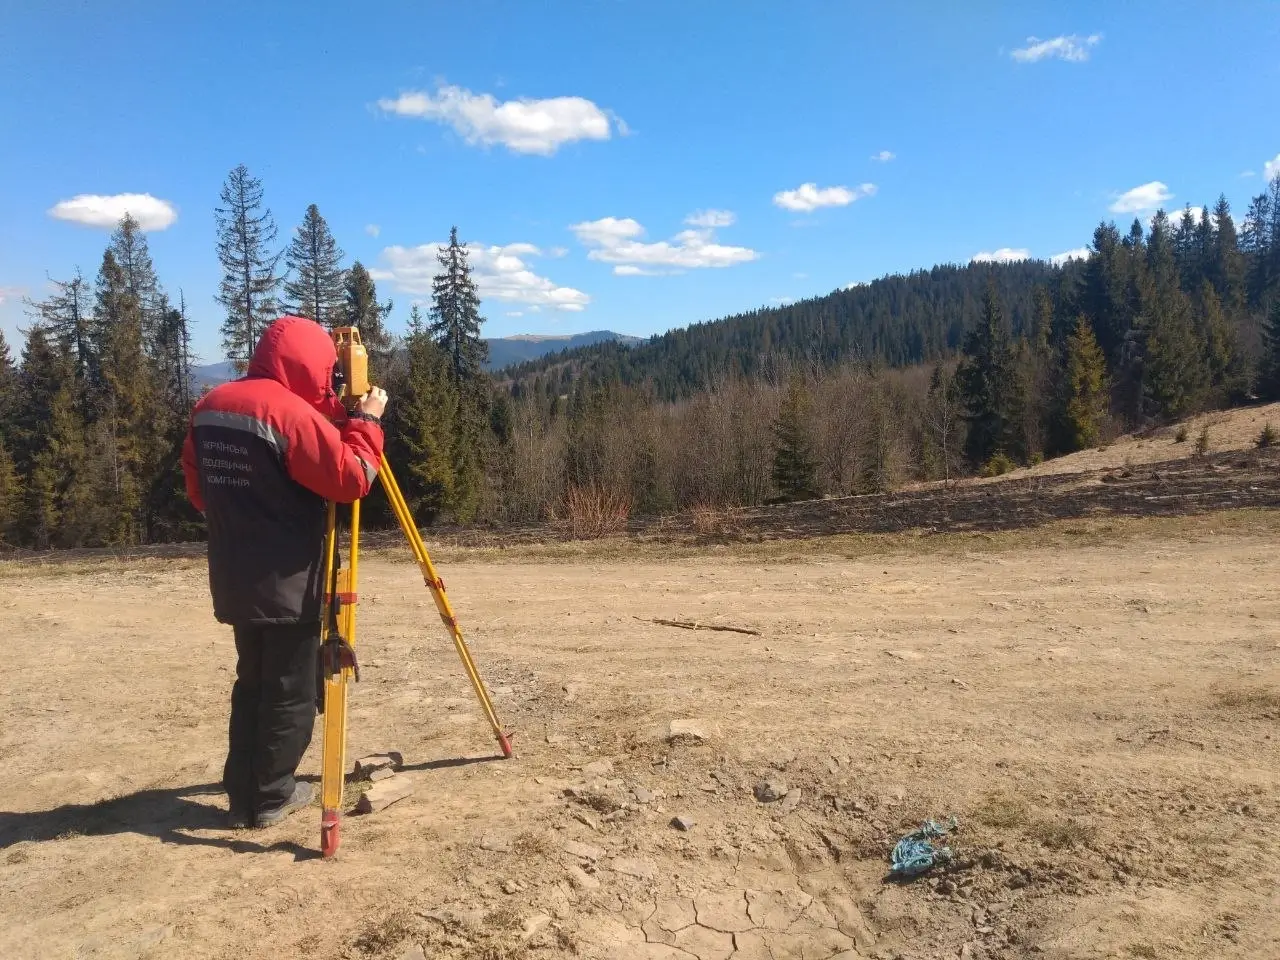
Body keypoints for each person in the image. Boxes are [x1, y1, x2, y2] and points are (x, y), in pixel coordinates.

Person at [181, 315, 388, 829]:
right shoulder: (288, 415)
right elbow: (352, 478)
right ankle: (272, 796)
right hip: (290, 580)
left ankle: (244, 793)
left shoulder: (210, 407)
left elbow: (198, 492)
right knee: (290, 689)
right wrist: (368, 423)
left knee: (251, 681)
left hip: (235, 573)